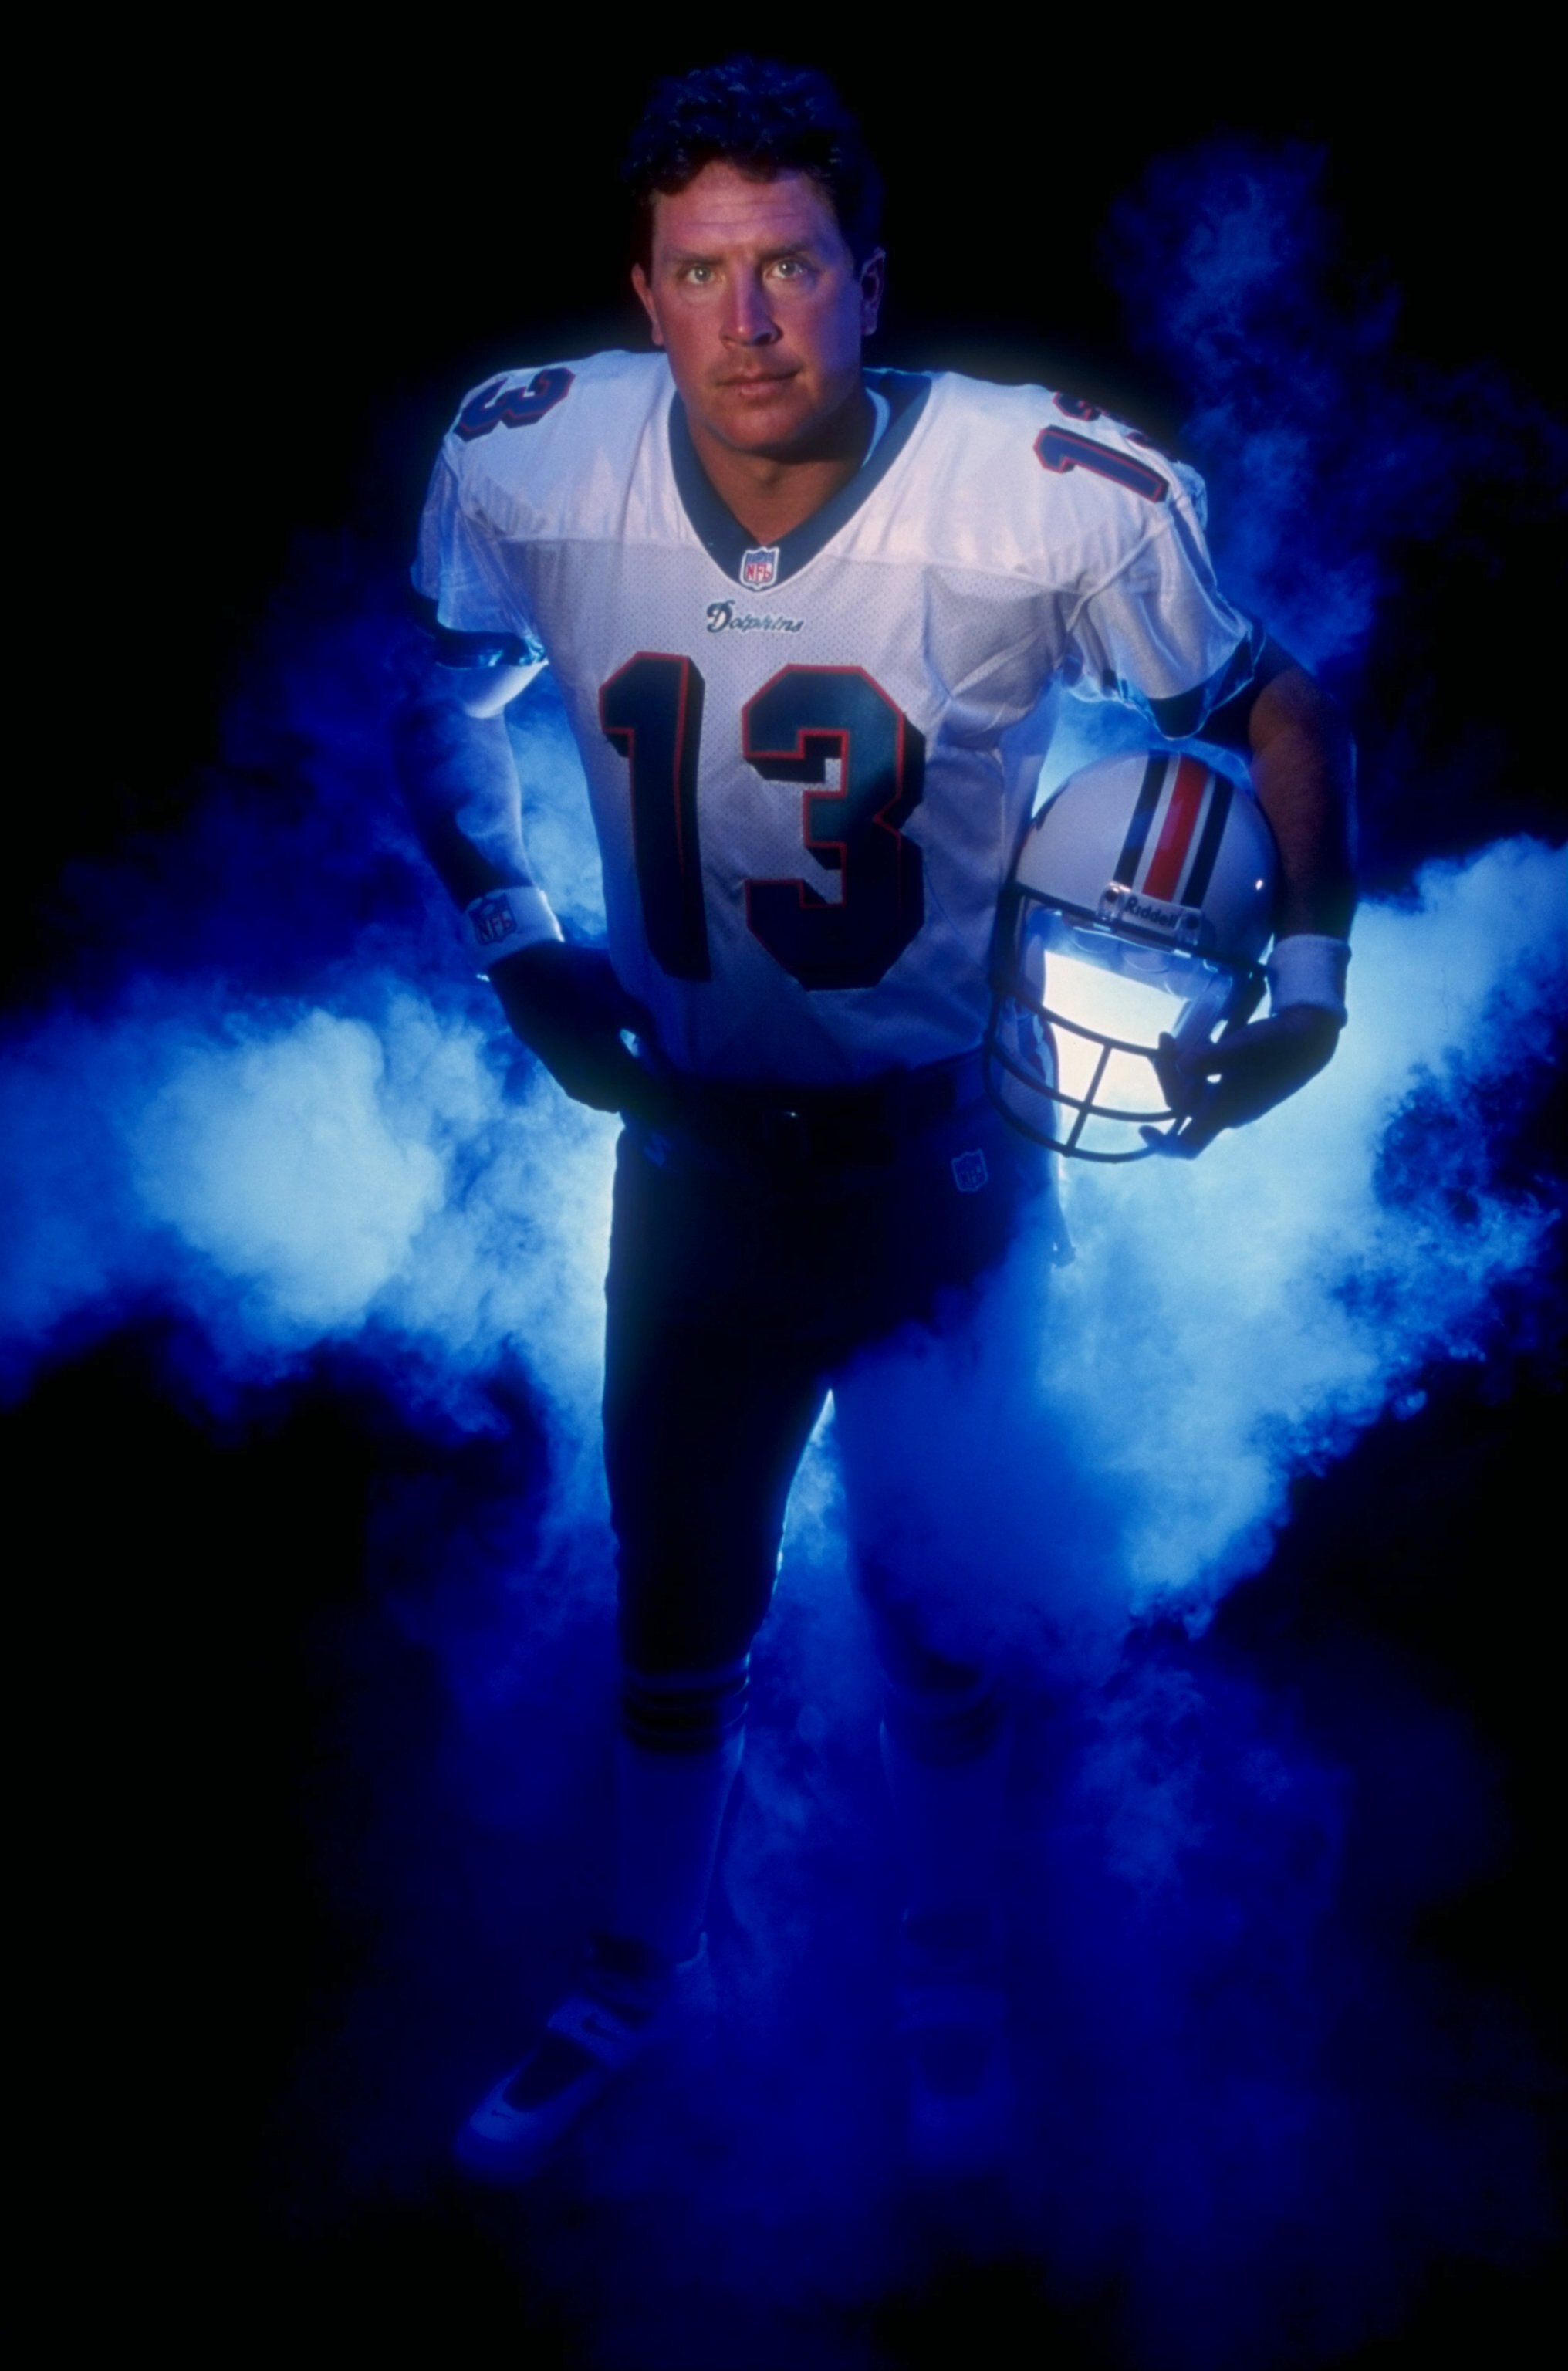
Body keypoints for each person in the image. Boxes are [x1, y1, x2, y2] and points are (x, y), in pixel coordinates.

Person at [396, 56, 1355, 2180]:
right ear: (641, 293)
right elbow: (437, 701)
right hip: (699, 1165)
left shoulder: (1043, 489)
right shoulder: (532, 463)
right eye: (705, 271)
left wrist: (1306, 984)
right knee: (679, 1606)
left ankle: (943, 1959)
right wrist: (514, 932)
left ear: (867, 278)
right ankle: (631, 1978)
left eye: (794, 266)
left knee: (939, 1608)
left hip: (953, 1160)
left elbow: (1269, 699)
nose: (751, 320)